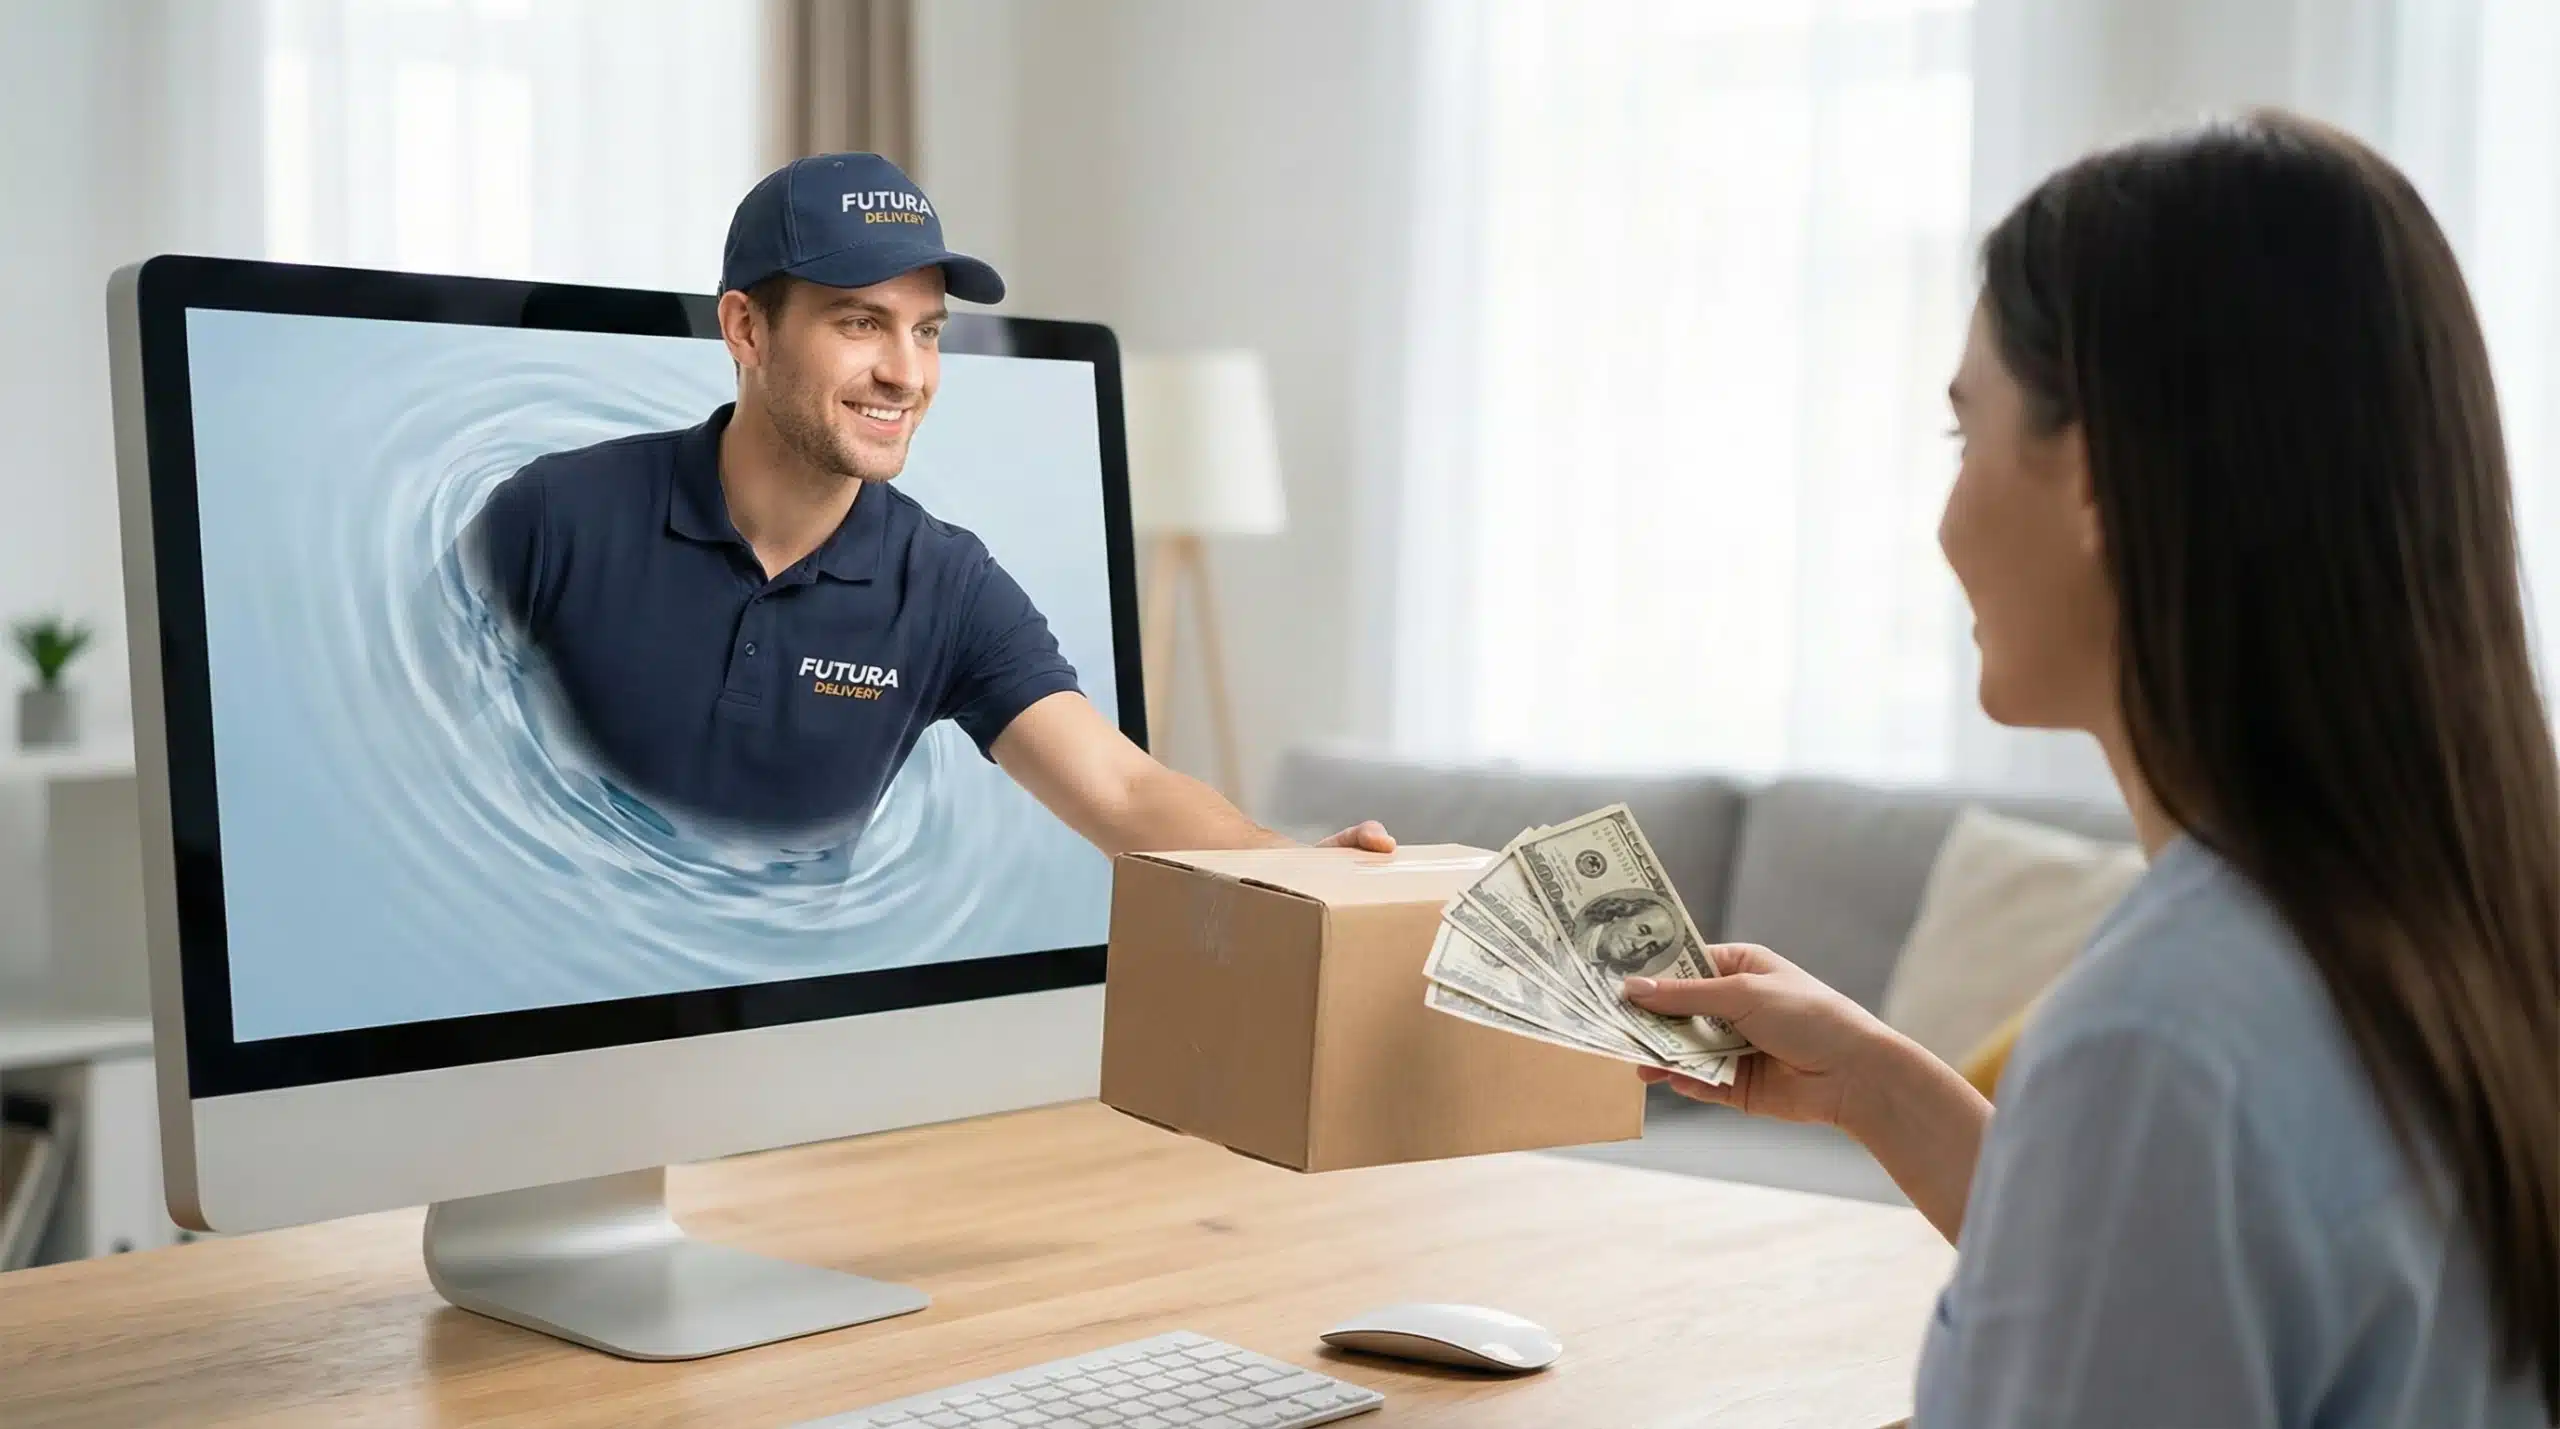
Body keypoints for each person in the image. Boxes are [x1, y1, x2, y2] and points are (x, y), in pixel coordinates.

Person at [1624, 113, 2557, 1427]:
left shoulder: (2162, 1038)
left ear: (2098, 476)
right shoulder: (2465, 920)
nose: (1945, 523)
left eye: (1967, 437)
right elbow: (2205, 1283)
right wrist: (1886, 1088)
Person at [460, 151, 1389, 857]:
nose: (906, 374)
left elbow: (1123, 789)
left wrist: (1290, 865)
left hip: (786, 1000)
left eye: (928, 331)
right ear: (745, 328)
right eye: (860, 322)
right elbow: (423, 730)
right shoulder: (557, 516)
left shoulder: (945, 586)